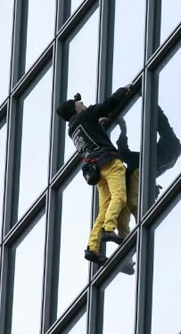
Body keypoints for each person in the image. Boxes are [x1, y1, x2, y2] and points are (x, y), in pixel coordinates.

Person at [55, 85, 132, 266]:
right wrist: (124, 90)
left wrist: (101, 124)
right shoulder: (86, 115)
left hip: (96, 170)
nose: (82, 102)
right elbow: (108, 105)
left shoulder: (73, 130)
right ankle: (108, 229)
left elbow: (92, 132)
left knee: (104, 208)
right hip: (110, 163)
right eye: (78, 102)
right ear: (75, 108)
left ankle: (92, 248)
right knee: (120, 197)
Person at [114, 106, 181, 237]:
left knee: (127, 210)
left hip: (135, 176)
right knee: (125, 213)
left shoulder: (162, 153)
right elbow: (125, 155)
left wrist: (123, 131)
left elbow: (125, 155)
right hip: (136, 177)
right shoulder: (160, 156)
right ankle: (127, 246)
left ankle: (129, 242)